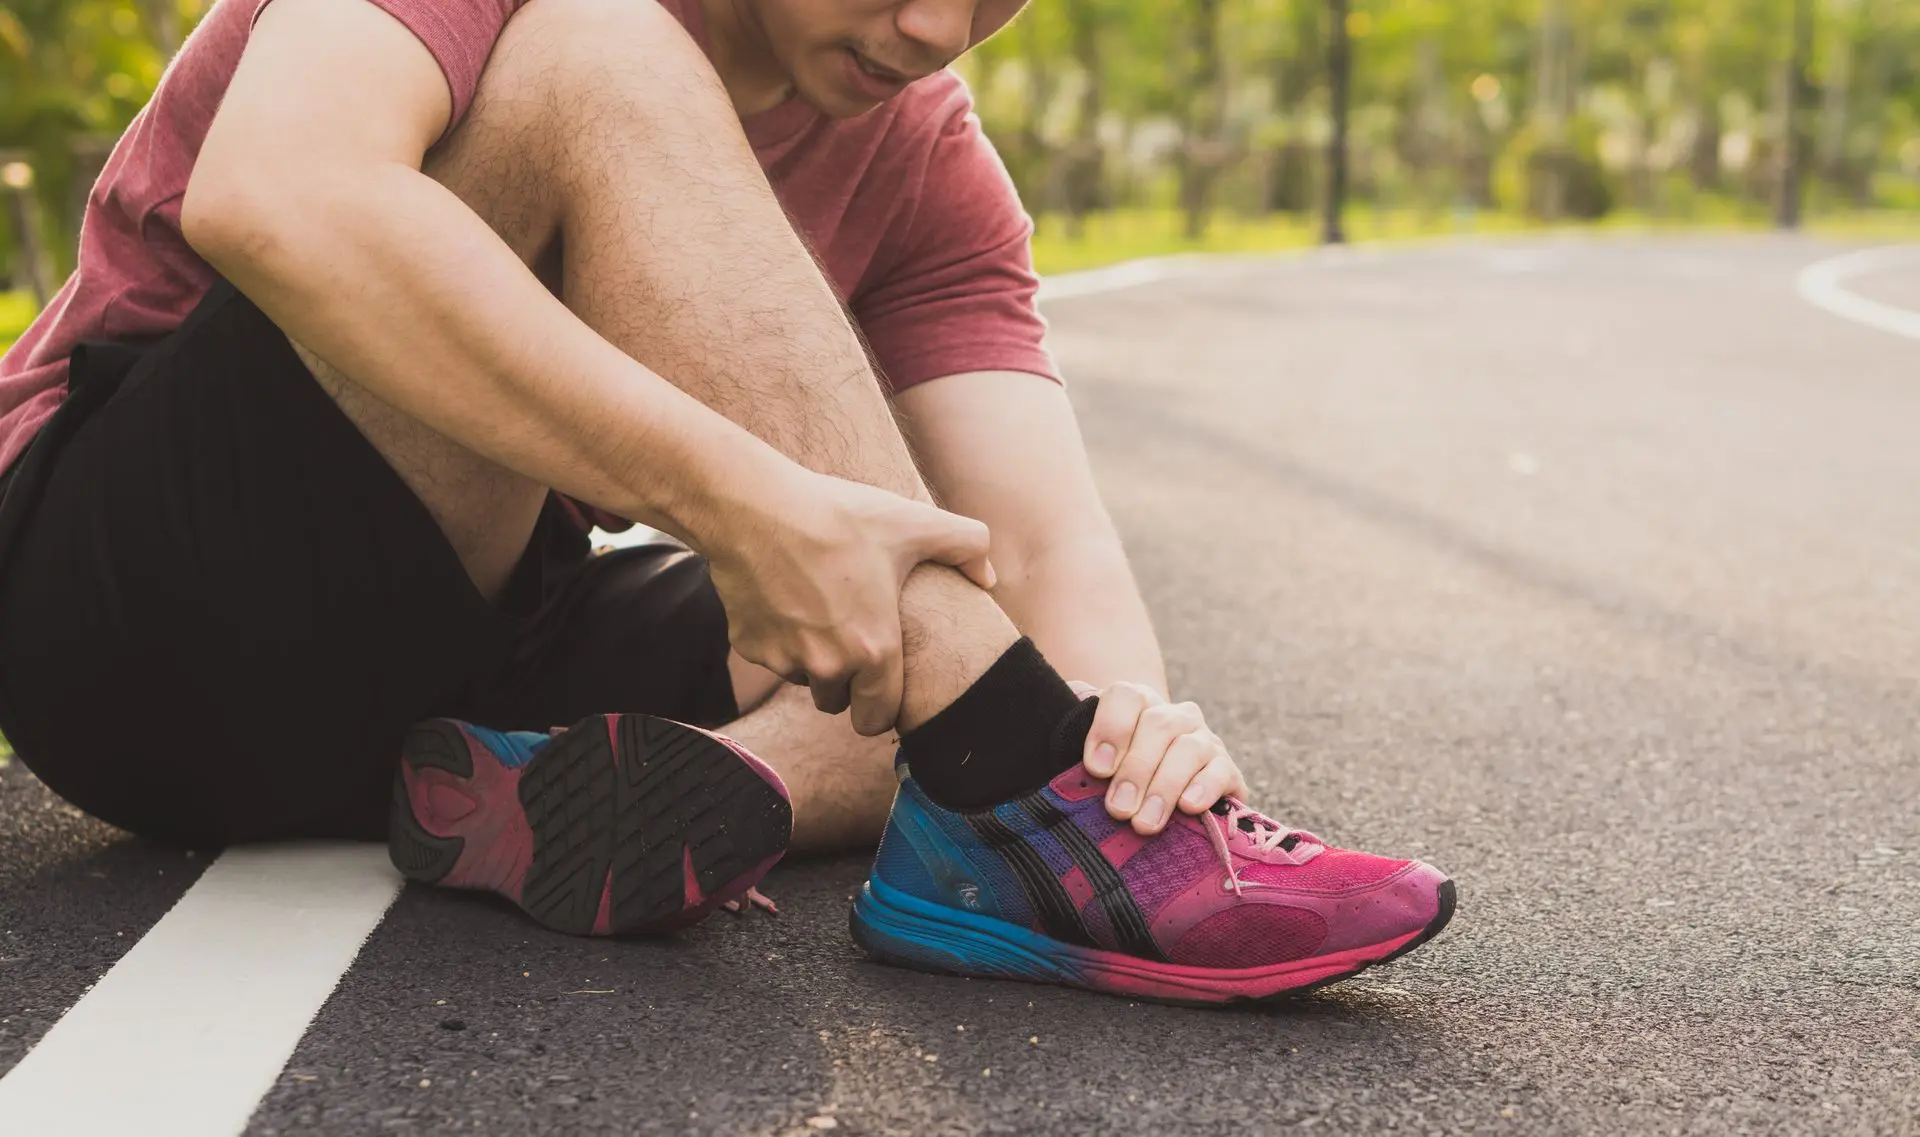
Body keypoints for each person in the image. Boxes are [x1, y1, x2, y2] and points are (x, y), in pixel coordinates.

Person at [0, 0, 1452, 1002]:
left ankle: (676, 784)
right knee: (597, 43)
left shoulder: (928, 159)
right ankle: (1008, 787)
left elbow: (1037, 541)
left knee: (949, 626)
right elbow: (279, 197)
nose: (935, 29)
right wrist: (750, 506)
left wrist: (1135, 742)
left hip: (429, 667)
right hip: (121, 616)